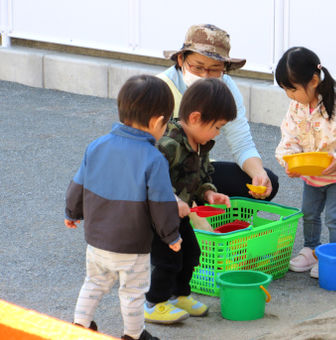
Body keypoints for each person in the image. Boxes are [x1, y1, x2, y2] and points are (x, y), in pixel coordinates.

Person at [65, 75, 184, 340]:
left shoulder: (96, 146)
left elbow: (78, 184)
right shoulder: (153, 159)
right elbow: (162, 204)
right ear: (156, 122)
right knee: (132, 292)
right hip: (132, 246)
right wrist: (171, 236)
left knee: (94, 283)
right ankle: (134, 335)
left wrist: (72, 213)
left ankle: (79, 326)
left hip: (96, 242)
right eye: (166, 123)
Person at [144, 78, 235, 323]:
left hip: (180, 214)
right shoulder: (169, 143)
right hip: (160, 215)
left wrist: (208, 192)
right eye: (217, 127)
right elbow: (150, 178)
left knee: (192, 252)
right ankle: (154, 302)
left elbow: (202, 175)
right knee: (168, 259)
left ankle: (178, 295)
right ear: (195, 118)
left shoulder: (200, 144)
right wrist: (172, 199)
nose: (218, 133)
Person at [156, 23, 279, 201]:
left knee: (268, 182)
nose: (205, 76)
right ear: (181, 60)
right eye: (197, 67)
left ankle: (217, 223)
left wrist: (258, 174)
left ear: (224, 68)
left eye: (214, 69)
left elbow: (241, 142)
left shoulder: (225, 87)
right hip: (160, 175)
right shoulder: (159, 88)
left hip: (199, 173)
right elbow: (140, 158)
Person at [274, 47, 336, 278]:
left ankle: (335, 255)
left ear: (314, 80)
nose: (289, 95)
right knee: (309, 213)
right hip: (313, 173)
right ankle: (312, 250)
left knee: (335, 217)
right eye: (285, 89)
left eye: (292, 89)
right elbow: (289, 135)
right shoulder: (297, 106)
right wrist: (289, 159)